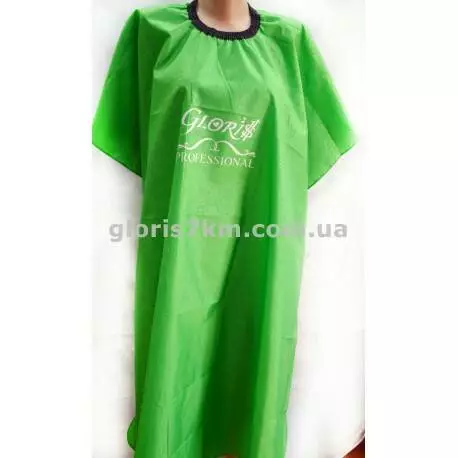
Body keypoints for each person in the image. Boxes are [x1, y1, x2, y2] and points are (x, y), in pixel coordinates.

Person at [93, 1, 357, 457]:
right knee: (177, 345)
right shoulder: (152, 31)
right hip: (179, 245)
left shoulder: (290, 44)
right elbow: (141, 142)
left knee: (257, 340)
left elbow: (310, 149)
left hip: (265, 240)